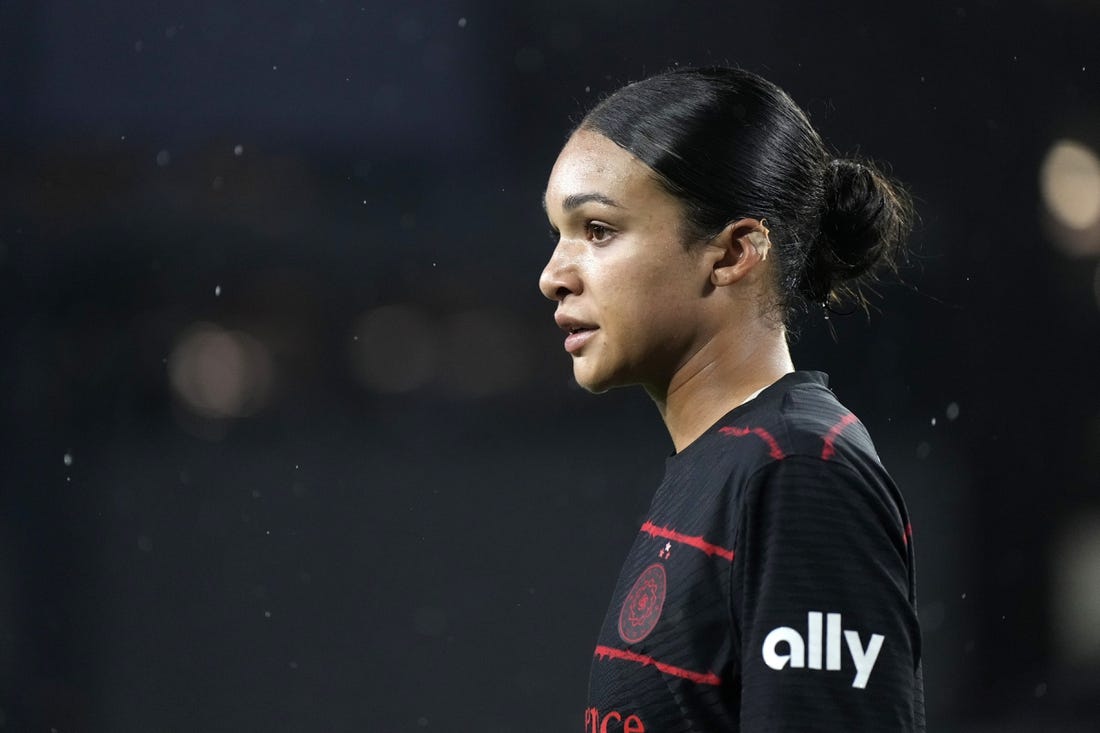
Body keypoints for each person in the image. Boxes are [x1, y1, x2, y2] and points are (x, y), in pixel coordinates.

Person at [539, 66, 925, 731]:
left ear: (734, 251)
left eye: (598, 230)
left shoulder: (798, 469)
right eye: (558, 234)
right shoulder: (726, 466)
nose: (553, 276)